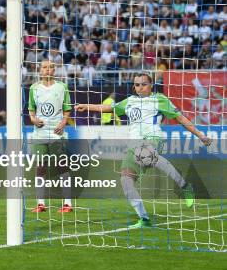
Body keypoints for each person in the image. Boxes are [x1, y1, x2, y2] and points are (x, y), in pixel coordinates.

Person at [75, 73, 212, 228]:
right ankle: (144, 219)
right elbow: (109, 108)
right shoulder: (130, 101)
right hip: (133, 145)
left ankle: (184, 186)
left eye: (144, 84)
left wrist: (200, 135)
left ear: (151, 84)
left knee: (145, 154)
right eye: (137, 85)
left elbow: (181, 118)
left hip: (152, 139)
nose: (140, 87)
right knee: (126, 182)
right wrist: (86, 106)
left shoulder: (160, 99)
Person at [28, 60, 73, 213]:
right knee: (40, 167)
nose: (48, 70)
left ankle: (67, 203)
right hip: (39, 134)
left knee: (61, 166)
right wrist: (33, 119)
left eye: (51, 67)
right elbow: (31, 110)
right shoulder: (34, 88)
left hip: (57, 133)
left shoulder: (62, 87)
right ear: (40, 70)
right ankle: (40, 203)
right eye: (45, 67)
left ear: (55, 70)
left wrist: (63, 122)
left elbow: (67, 109)